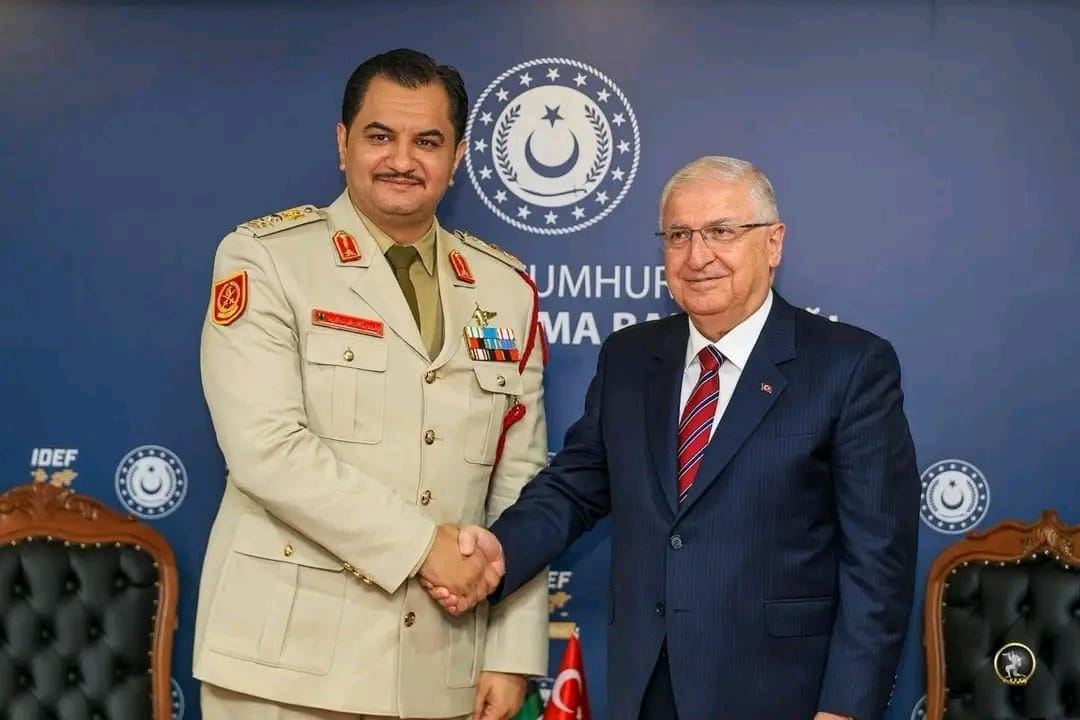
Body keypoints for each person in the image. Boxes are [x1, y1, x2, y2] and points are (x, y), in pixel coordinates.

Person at [426, 156, 920, 720]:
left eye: (722, 232)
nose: (697, 256)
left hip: (783, 693)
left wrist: (847, 708)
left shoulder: (849, 365)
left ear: (773, 243)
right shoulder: (630, 357)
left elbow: (878, 561)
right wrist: (502, 550)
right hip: (647, 686)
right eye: (679, 235)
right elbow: (575, 486)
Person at [193, 48, 550, 720]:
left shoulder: (506, 290)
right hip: (284, 669)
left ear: (457, 157)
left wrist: (509, 650)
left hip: (441, 668)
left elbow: (520, 482)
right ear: (343, 144)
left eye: (428, 142)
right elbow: (265, 448)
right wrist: (422, 548)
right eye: (380, 136)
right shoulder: (268, 260)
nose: (401, 160)